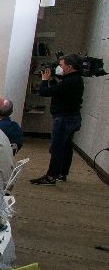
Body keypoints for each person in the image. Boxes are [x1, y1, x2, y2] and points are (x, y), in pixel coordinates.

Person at [31, 53, 85, 185]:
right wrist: (53, 78)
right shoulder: (75, 79)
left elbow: (44, 92)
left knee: (57, 148)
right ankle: (62, 173)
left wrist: (44, 80)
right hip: (72, 117)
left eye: (61, 65)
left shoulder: (70, 81)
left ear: (70, 67)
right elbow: (59, 89)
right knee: (66, 147)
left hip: (64, 119)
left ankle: (51, 176)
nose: (59, 68)